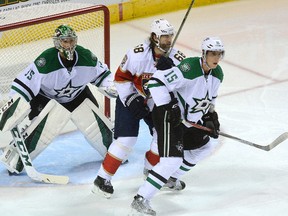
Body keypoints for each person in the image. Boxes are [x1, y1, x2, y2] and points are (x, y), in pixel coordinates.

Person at [0, 24, 116, 174]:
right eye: (65, 41)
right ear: (57, 42)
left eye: (71, 41)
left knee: (93, 124)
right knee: (46, 128)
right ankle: (15, 158)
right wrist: (14, 103)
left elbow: (103, 75)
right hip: (46, 99)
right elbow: (23, 84)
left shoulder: (86, 56)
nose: (69, 45)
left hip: (79, 95)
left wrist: (113, 87)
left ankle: (115, 154)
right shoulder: (45, 61)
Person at [92, 19, 186, 198]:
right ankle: (102, 179)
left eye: (170, 36)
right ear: (154, 37)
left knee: (162, 139)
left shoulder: (177, 59)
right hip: (132, 97)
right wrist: (130, 99)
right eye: (164, 36)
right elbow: (120, 77)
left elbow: (184, 86)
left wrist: (172, 71)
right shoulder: (137, 55)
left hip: (157, 103)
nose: (168, 40)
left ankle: (153, 174)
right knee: (126, 140)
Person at [130, 36, 225, 215]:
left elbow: (209, 99)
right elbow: (156, 83)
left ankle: (171, 178)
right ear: (204, 53)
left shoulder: (217, 74)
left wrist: (211, 116)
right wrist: (169, 105)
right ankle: (141, 199)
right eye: (212, 54)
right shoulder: (189, 68)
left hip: (187, 120)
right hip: (167, 116)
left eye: (219, 54)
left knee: (204, 148)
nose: (216, 58)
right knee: (171, 160)